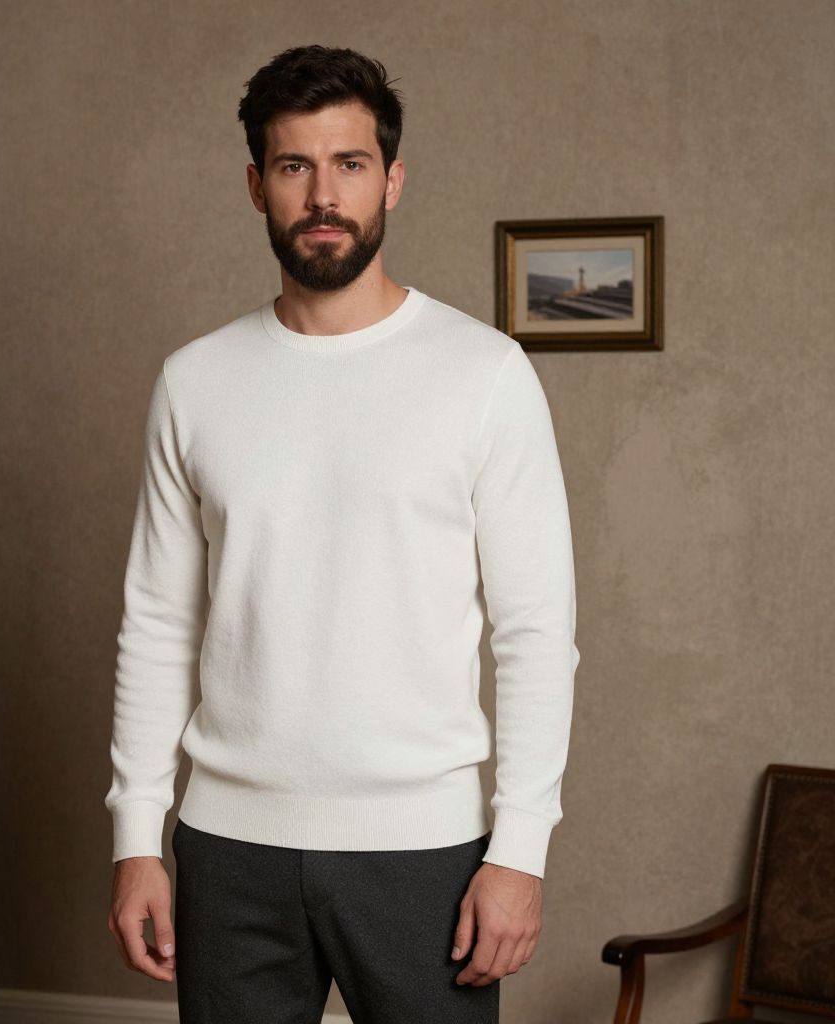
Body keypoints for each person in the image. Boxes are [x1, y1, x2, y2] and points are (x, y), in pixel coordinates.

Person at [105, 43, 579, 1023]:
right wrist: (136, 838)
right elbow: (155, 622)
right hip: (226, 850)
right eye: (294, 167)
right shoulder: (194, 381)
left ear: (392, 179)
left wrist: (518, 850)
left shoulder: (483, 373)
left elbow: (536, 630)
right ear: (256, 186)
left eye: (349, 165)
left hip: (423, 853)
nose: (324, 195)